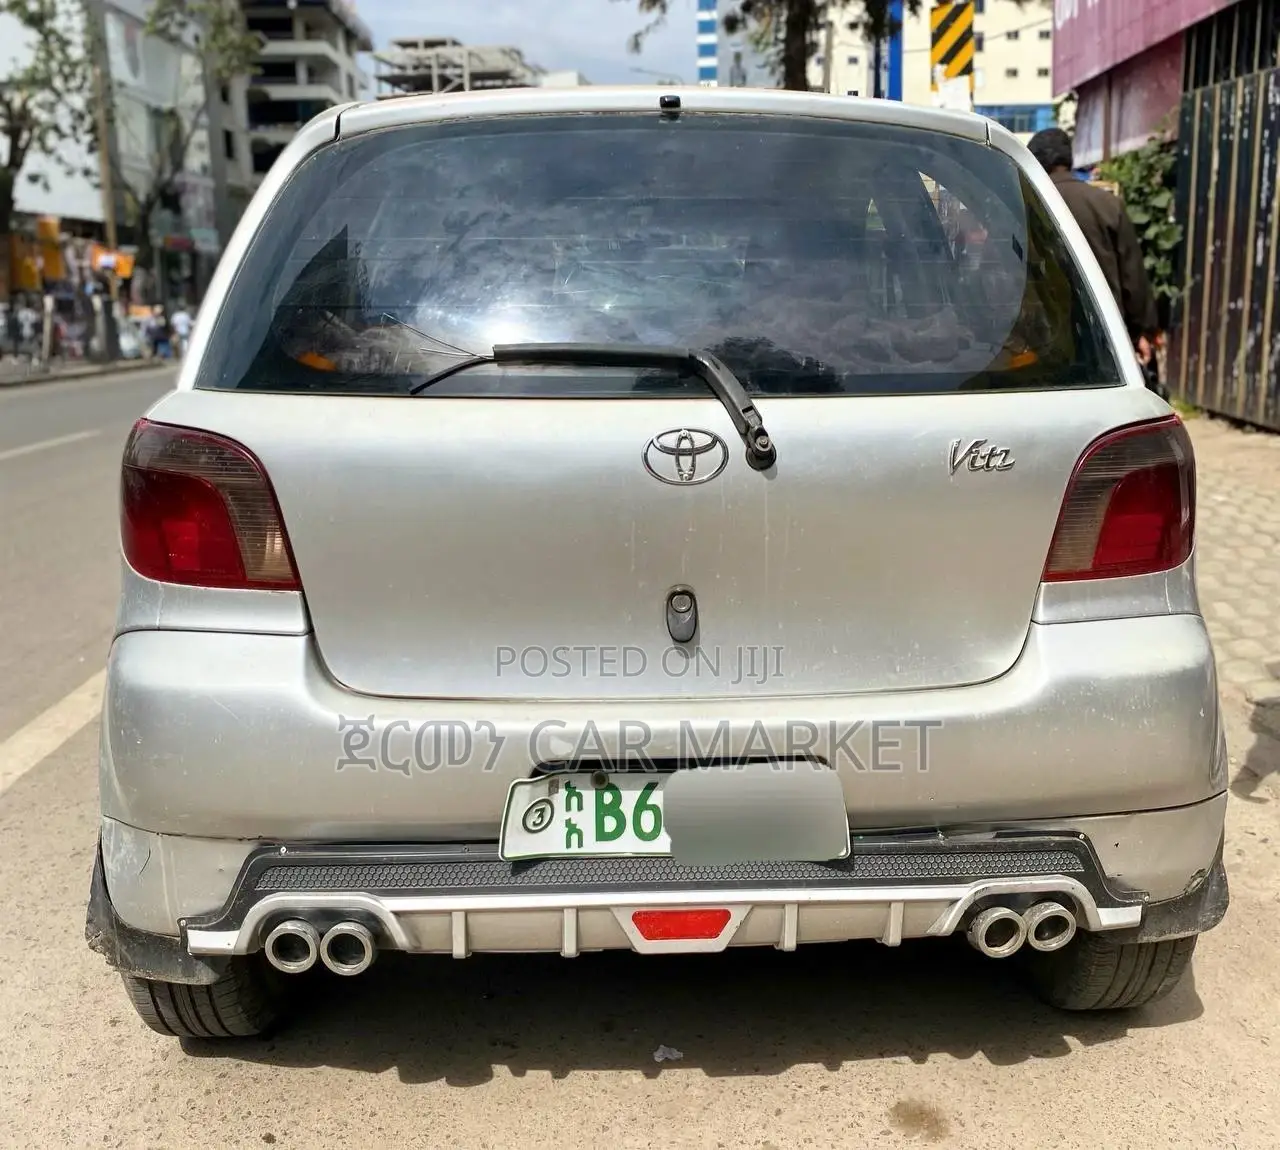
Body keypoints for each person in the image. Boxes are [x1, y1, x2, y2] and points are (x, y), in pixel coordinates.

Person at [1026, 127, 1159, 378]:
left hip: (1048, 340)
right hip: (1107, 334)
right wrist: (1140, 331)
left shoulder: (1030, 204)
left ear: (1035, 161)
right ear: (1069, 159)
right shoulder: (1109, 204)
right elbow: (1133, 278)